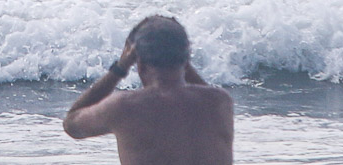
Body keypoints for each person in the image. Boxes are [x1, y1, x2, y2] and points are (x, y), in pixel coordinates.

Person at [63, 16, 233, 165]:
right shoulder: (220, 102)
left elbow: (72, 124)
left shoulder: (124, 107)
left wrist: (120, 68)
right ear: (186, 57)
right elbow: (202, 92)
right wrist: (183, 61)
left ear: (138, 61)